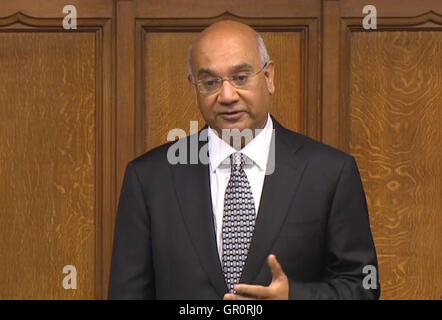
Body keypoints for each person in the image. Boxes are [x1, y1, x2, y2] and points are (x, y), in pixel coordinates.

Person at [108, 20, 380, 300]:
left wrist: (294, 297)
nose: (227, 96)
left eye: (241, 77)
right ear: (194, 89)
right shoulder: (150, 179)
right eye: (211, 82)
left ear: (269, 77)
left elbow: (363, 287)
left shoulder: (329, 173)